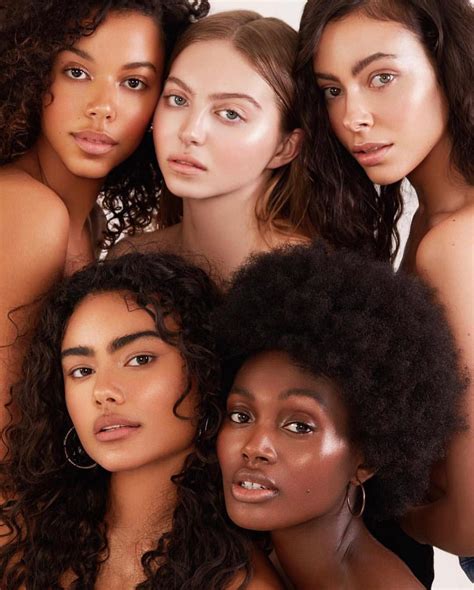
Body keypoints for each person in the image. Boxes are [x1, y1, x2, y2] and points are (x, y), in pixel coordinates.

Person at [295, 0, 474, 560]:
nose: (353, 117)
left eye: (382, 78)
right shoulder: (430, 218)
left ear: (448, 67)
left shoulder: (454, 243)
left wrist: (374, 517)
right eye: (332, 89)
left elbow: (470, 521)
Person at [0, 252, 282, 588]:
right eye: (82, 370)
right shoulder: (17, 538)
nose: (103, 391)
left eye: (139, 359)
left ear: (205, 369)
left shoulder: (241, 583)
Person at [0, 0, 209, 434]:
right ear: (33, 73)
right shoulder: (27, 211)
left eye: (133, 82)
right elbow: (5, 432)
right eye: (77, 72)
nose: (103, 107)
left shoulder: (89, 223)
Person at [213, 242, 466, 590]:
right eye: (241, 416)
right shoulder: (232, 558)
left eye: (299, 425)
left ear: (367, 459)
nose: (255, 446)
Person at [112, 10, 313, 284]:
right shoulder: (129, 260)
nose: (190, 132)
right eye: (178, 100)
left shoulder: (312, 280)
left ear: (285, 147)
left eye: (231, 114)